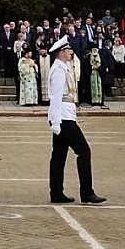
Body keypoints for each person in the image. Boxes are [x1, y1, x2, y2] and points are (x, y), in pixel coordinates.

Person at [47, 37, 106, 205]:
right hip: (63, 118)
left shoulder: (63, 68)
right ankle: (87, 192)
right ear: (61, 53)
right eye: (68, 51)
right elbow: (56, 97)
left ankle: (56, 192)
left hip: (65, 115)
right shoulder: (58, 70)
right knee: (84, 151)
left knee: (58, 156)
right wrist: (56, 122)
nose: (70, 53)